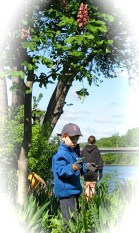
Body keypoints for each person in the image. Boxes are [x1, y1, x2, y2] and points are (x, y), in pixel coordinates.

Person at [52, 123, 95, 224]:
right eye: (72, 139)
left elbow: (78, 167)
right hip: (66, 194)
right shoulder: (60, 154)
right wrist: (73, 167)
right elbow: (60, 170)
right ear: (63, 137)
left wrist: (86, 167)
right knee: (68, 223)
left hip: (75, 192)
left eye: (76, 139)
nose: (74, 142)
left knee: (76, 221)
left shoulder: (73, 153)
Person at [81, 135, 103, 202]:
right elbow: (99, 161)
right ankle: (93, 203)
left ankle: (87, 203)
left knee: (87, 186)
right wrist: (100, 171)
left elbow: (81, 161)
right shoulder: (96, 150)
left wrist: (81, 172)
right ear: (94, 141)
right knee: (93, 186)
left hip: (86, 170)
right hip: (93, 170)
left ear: (88, 141)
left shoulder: (83, 150)